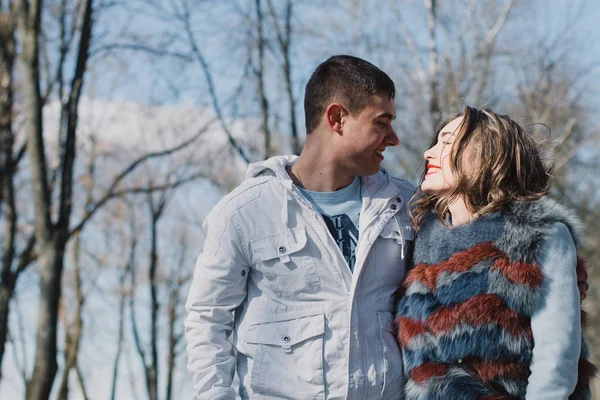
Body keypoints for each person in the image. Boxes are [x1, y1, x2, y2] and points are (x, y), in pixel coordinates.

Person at [184, 55, 415, 399]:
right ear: (337, 118)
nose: (393, 138)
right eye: (381, 123)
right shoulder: (244, 213)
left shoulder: (405, 206)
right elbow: (207, 320)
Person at [395, 107, 596, 400]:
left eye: (447, 142)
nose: (429, 153)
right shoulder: (420, 243)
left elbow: (556, 356)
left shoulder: (535, 236)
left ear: (484, 153)